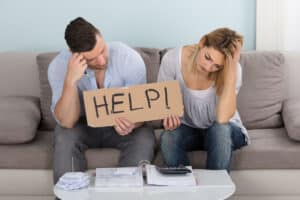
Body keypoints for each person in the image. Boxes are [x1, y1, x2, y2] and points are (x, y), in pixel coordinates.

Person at [48, 17, 155, 184]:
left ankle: (125, 193)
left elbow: (142, 112)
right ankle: (68, 193)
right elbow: (67, 122)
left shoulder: (128, 58)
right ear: (73, 53)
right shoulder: (58, 66)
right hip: (83, 126)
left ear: (101, 35)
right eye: (91, 59)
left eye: (102, 50)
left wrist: (132, 123)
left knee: (144, 136)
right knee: (63, 136)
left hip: (120, 126)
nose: (102, 61)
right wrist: (71, 81)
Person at [158, 27, 249, 172]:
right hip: (189, 130)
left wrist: (230, 74)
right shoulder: (172, 59)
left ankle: (216, 190)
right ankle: (185, 189)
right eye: (208, 57)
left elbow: (222, 119)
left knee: (219, 130)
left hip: (226, 131)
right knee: (168, 137)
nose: (208, 67)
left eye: (217, 66)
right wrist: (168, 116)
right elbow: (163, 103)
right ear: (202, 42)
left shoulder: (233, 69)